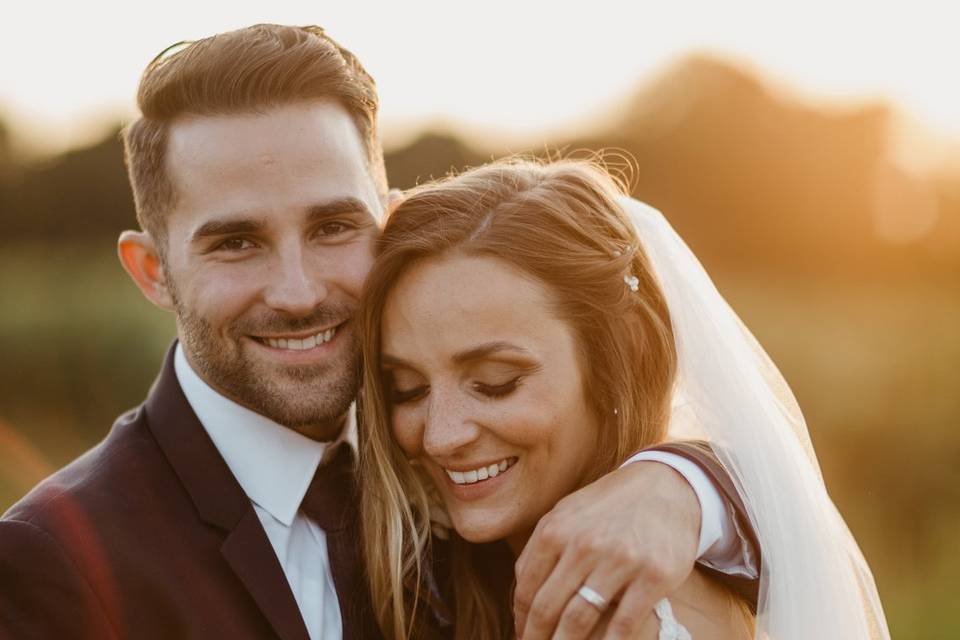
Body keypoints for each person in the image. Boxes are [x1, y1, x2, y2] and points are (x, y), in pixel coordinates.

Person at [0, 25, 758, 639]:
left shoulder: (469, 474)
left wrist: (684, 489)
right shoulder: (54, 562)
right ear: (152, 271)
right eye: (236, 242)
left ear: (387, 223)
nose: (297, 292)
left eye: (333, 226)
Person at [357, 159, 891, 639]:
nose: (440, 434)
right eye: (408, 389)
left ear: (624, 355)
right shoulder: (453, 565)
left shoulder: (637, 616)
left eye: (496, 381)